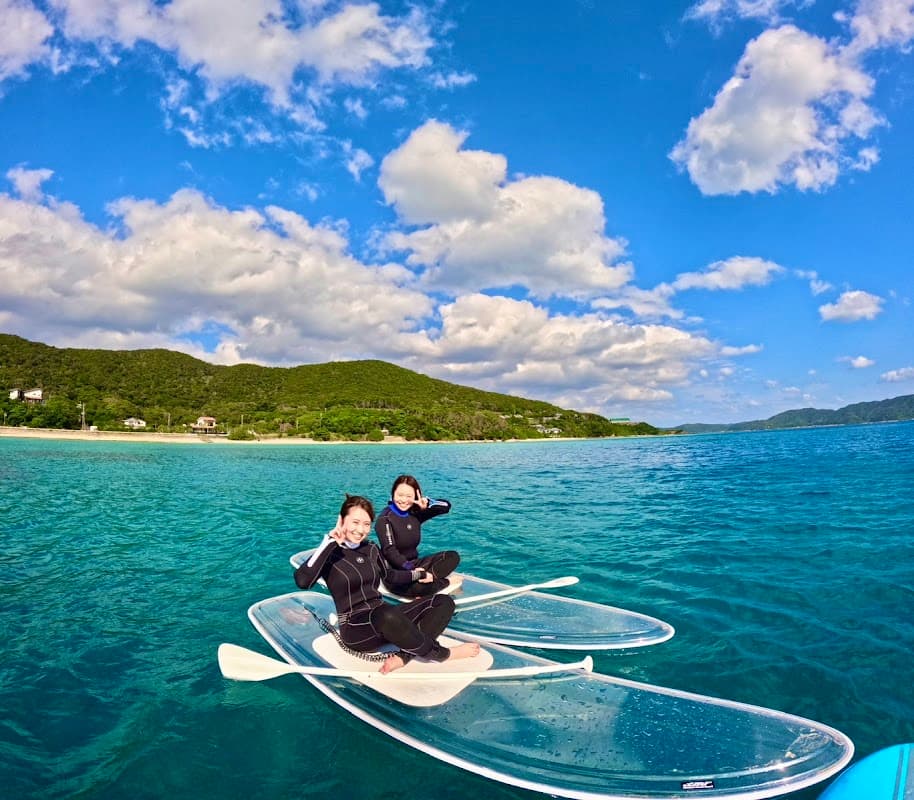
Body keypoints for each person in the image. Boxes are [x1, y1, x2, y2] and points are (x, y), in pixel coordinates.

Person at [293, 494, 479, 674]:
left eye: (366, 524)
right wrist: (329, 541)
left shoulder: (371, 548)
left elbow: (391, 577)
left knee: (443, 602)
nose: (360, 530)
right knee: (387, 614)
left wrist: (421, 575)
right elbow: (302, 581)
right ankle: (442, 654)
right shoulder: (329, 553)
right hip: (356, 628)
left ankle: (404, 657)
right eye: (355, 522)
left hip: (385, 617)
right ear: (341, 520)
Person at [375, 474, 460, 598]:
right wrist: (413, 570)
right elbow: (390, 551)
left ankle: (428, 580)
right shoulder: (385, 519)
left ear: (415, 496)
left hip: (416, 565)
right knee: (419, 588)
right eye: (400, 495)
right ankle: (444, 582)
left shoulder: (414, 514)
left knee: (453, 556)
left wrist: (429, 503)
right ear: (393, 494)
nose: (404, 500)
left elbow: (446, 507)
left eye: (409, 496)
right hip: (396, 574)